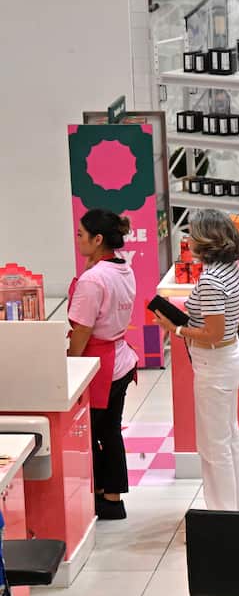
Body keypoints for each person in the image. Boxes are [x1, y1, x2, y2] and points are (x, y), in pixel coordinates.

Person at [152, 210, 239, 511]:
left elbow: (213, 333)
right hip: (230, 357)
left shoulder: (210, 280)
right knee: (228, 437)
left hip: (215, 364)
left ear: (205, 240)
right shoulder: (230, 267)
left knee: (213, 445)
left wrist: (176, 328)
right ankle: (235, 509)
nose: (188, 239)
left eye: (192, 234)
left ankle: (222, 515)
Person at [67, 209, 138, 521]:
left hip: (99, 365)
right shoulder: (122, 269)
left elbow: (81, 329)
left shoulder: (93, 280)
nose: (77, 239)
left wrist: (70, 363)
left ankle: (103, 496)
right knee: (109, 431)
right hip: (120, 358)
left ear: (98, 239)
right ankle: (111, 497)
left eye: (82, 234)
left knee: (94, 433)